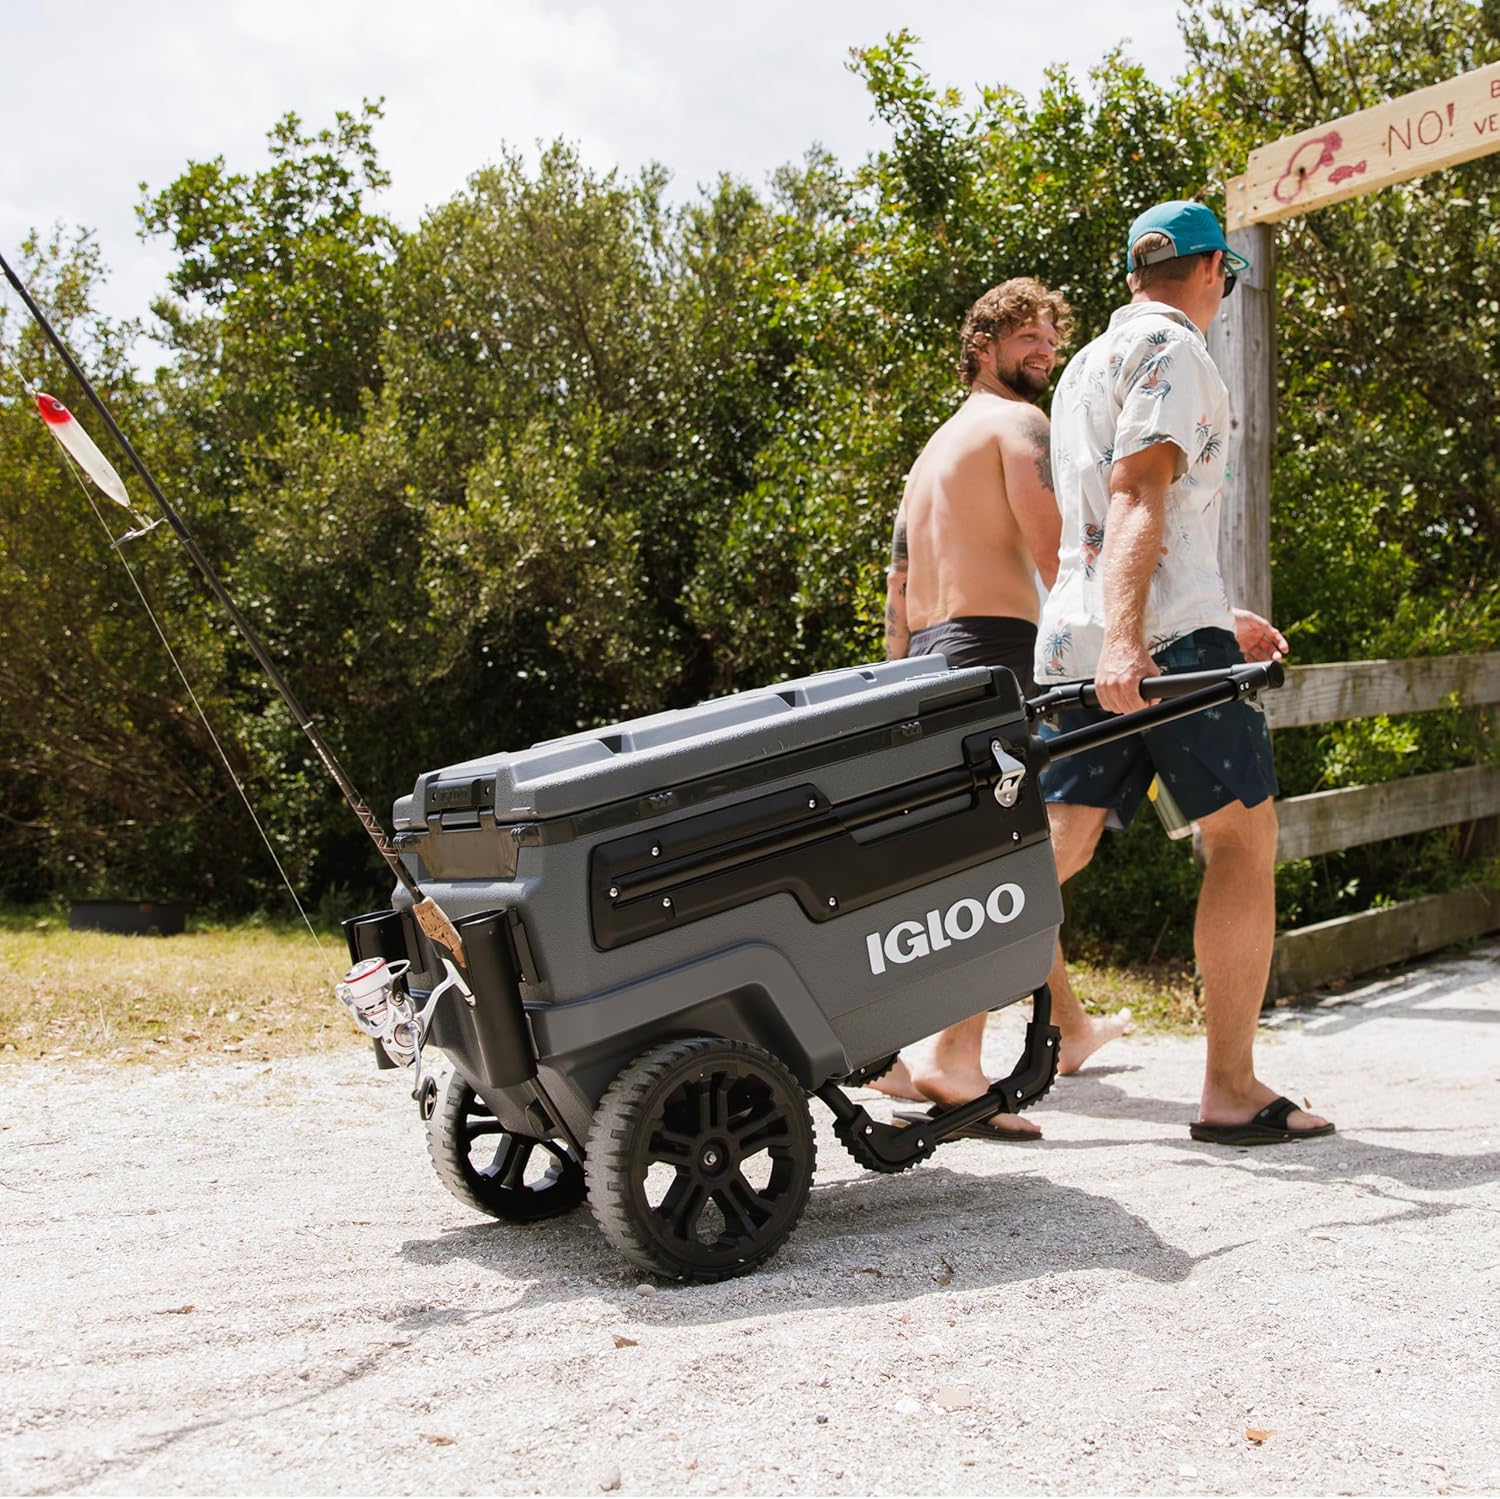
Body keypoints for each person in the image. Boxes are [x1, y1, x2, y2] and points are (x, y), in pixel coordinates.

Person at [1034, 199, 1334, 1146]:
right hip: (1156, 642)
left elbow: (1097, 519)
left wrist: (1203, 611)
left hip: (1077, 631)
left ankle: (948, 1049)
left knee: (1050, 846)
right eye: (1227, 280)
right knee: (1243, 837)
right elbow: (1136, 493)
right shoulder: (1176, 350)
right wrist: (1140, 636)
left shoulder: (1082, 365)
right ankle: (1231, 1088)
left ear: (1136, 274)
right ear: (1211, 271)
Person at [873, 277, 1131, 1141]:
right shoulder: (1020, 426)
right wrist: (1125, 639)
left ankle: (1059, 1026)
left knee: (961, 854)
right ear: (982, 345)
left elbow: (899, 585)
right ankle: (953, 1053)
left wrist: (893, 689)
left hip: (924, 661)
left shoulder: (933, 451)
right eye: (1029, 336)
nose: (1047, 350)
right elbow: (1060, 554)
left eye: (1053, 337)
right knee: (1008, 856)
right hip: (993, 654)